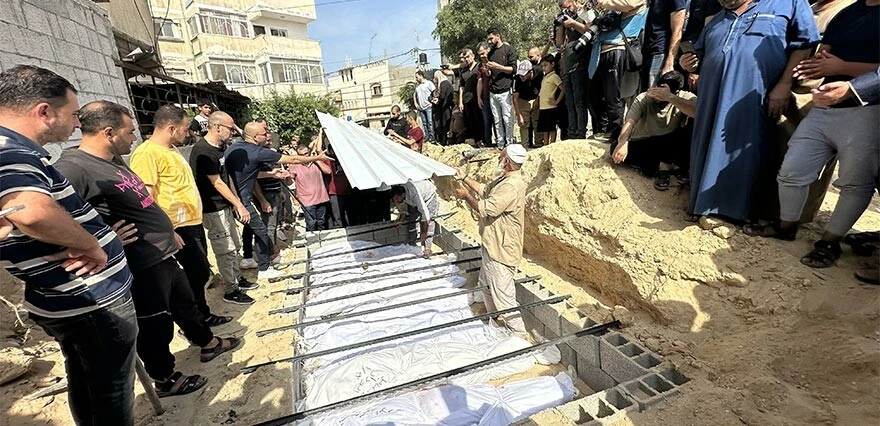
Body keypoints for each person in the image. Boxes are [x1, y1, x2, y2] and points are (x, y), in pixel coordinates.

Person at [55, 101, 241, 398]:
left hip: (161, 250)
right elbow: (54, 218)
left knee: (185, 303)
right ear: (108, 132)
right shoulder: (73, 167)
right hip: (140, 260)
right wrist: (101, 238)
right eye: (130, 132)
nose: (134, 137)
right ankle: (165, 378)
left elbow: (142, 199)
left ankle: (207, 343)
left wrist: (168, 231)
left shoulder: (113, 159)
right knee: (155, 321)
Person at [0, 65, 138, 426]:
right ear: (44, 112)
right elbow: (29, 211)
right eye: (74, 114)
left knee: (87, 378)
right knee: (111, 389)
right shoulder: (10, 151)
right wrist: (92, 244)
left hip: (68, 298)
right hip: (90, 298)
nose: (77, 124)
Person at [746, 1, 878, 269]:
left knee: (854, 183)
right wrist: (815, 68)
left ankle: (829, 242)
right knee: (792, 169)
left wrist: (843, 69)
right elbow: (824, 56)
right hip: (824, 105)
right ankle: (786, 226)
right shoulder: (848, 13)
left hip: (868, 110)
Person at [680, 0, 820, 223]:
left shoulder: (788, 4)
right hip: (712, 97)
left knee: (743, 148)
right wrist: (688, 62)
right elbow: (700, 53)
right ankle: (702, 204)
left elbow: (804, 44)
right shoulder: (718, 19)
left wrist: (784, 84)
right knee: (707, 143)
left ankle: (732, 212)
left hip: (754, 95)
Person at [130, 106, 228, 325]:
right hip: (176, 227)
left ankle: (202, 315)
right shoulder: (147, 153)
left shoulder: (170, 149)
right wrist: (167, 230)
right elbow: (146, 198)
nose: (189, 132)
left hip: (191, 222)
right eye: (185, 128)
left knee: (200, 273)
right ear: (171, 128)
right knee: (194, 274)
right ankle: (193, 322)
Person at [225, 122, 330, 279]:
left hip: (236, 198)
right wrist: (318, 157)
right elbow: (293, 159)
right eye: (264, 133)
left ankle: (251, 258)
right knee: (262, 230)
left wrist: (270, 174)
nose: (268, 135)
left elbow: (248, 174)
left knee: (254, 228)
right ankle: (264, 268)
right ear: (255, 137)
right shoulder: (258, 152)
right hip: (241, 200)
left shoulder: (235, 148)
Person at [455, 144, 529, 335]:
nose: (498, 159)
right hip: (492, 243)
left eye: (501, 156)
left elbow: (486, 209)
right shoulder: (505, 179)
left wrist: (466, 196)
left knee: (503, 297)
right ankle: (494, 320)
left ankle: (519, 334)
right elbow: (485, 190)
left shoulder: (511, 186)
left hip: (501, 249)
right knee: (486, 286)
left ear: (508, 162)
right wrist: (464, 177)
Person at [188, 111, 258, 305]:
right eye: (230, 128)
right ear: (217, 127)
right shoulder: (203, 151)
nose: (233, 132)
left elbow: (227, 178)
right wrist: (238, 204)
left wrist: (236, 202)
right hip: (213, 208)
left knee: (234, 245)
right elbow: (217, 182)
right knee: (225, 249)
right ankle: (231, 289)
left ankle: (236, 278)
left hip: (225, 204)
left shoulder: (220, 148)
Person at [610, 71, 697, 189]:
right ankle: (664, 167)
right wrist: (623, 143)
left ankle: (674, 165)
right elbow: (630, 122)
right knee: (615, 148)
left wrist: (670, 98)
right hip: (647, 142)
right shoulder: (644, 98)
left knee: (688, 132)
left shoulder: (683, 97)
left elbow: (697, 112)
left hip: (670, 142)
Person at [588, 1, 649, 141]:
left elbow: (627, 4)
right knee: (593, 96)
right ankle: (602, 130)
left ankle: (615, 133)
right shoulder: (612, 8)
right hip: (599, 53)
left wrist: (603, 2)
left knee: (612, 97)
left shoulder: (628, 2)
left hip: (617, 49)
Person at [557, 0, 593, 139]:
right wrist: (560, 25)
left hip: (580, 65)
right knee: (569, 103)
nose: (567, 10)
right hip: (567, 67)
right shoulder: (566, 19)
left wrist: (573, 23)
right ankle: (572, 132)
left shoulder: (583, 13)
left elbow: (589, 30)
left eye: (569, 7)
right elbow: (559, 43)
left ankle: (580, 132)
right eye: (564, 9)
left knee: (579, 102)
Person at [642, 0, 688, 90]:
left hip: (660, 53)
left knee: (654, 94)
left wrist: (670, 61)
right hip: (644, 52)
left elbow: (677, 30)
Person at [486, 27, 518, 148]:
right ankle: (500, 143)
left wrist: (498, 67)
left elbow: (513, 69)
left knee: (507, 119)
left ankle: (509, 143)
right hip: (493, 91)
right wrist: (487, 70)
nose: (490, 41)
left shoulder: (508, 49)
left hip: (505, 90)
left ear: (498, 36)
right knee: (497, 120)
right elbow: (489, 73)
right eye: (488, 39)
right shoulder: (490, 53)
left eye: (491, 38)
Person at [288, 142, 332, 231]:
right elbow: (289, 182)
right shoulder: (294, 165)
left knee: (322, 222)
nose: (305, 156)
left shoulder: (316, 162)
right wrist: (286, 175)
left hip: (321, 197)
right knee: (311, 223)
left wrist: (316, 160)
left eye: (306, 153)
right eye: (301, 155)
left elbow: (328, 171)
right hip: (306, 200)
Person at [391, 180, 439, 257]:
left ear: (403, 195)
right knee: (412, 217)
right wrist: (401, 220)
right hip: (415, 197)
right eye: (394, 199)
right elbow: (403, 208)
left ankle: (427, 248)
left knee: (429, 221)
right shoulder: (401, 195)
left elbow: (425, 215)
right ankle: (412, 243)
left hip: (429, 196)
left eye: (396, 198)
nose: (395, 201)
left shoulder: (415, 195)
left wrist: (424, 232)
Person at [513, 54, 543, 148]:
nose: (522, 77)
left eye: (524, 74)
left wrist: (539, 99)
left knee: (537, 122)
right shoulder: (517, 79)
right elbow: (515, 98)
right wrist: (519, 115)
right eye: (520, 74)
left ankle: (539, 144)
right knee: (524, 124)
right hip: (523, 100)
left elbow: (543, 86)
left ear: (530, 72)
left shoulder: (539, 72)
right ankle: (525, 146)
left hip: (536, 98)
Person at [458, 48, 485, 145]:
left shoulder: (479, 67)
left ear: (473, 56)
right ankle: (473, 141)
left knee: (479, 120)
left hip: (477, 98)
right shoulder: (463, 71)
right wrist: (460, 101)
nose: (467, 59)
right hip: (467, 99)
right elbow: (461, 87)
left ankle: (482, 140)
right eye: (465, 57)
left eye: (468, 57)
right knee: (470, 122)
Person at [538, 54, 564, 145]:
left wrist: (557, 101)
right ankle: (545, 144)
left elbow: (563, 88)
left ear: (552, 64)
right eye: (542, 66)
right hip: (543, 107)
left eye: (545, 65)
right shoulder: (545, 77)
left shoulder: (554, 76)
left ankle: (552, 143)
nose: (544, 68)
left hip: (551, 107)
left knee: (552, 128)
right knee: (545, 128)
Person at [476, 42, 495, 147]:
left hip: (495, 93)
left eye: (483, 53)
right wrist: (479, 97)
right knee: (487, 121)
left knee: (498, 120)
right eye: (480, 54)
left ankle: (501, 142)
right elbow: (479, 82)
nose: (482, 56)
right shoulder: (480, 66)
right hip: (485, 96)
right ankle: (488, 142)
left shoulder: (494, 61)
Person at [432, 70, 455, 146]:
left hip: (446, 107)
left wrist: (437, 99)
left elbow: (442, 96)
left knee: (446, 124)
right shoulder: (446, 82)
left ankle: (446, 141)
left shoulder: (443, 83)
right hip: (448, 106)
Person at [413, 71, 436, 142]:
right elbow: (414, 95)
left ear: (421, 76)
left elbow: (434, 92)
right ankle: (427, 136)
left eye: (417, 77)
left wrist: (432, 102)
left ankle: (432, 137)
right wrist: (416, 103)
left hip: (428, 106)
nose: (416, 79)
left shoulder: (428, 83)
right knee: (424, 123)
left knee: (430, 122)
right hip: (421, 107)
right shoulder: (417, 86)